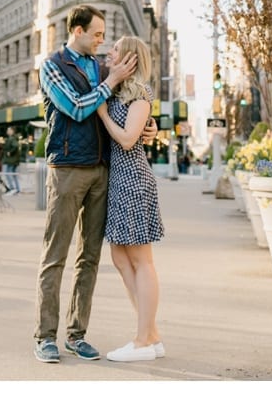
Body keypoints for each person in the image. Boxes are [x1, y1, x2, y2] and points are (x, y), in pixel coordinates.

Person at [33, 4, 155, 364]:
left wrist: (150, 125)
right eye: (98, 34)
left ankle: (77, 334)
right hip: (68, 168)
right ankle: (44, 336)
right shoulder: (53, 66)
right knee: (55, 255)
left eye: (105, 36)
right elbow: (77, 108)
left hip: (103, 171)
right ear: (78, 31)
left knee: (90, 258)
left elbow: (132, 103)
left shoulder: (105, 68)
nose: (103, 42)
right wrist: (109, 83)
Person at [96, 35, 167, 362]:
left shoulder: (140, 94)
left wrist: (103, 114)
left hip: (134, 180)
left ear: (129, 58)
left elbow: (126, 140)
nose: (109, 52)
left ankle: (143, 341)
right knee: (121, 259)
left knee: (141, 261)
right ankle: (151, 334)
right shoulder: (115, 90)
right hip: (118, 183)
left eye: (115, 49)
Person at [1, 126, 25, 193]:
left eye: (8, 130)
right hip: (12, 160)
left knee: (8, 174)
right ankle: (16, 189)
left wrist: (10, 152)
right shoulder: (13, 138)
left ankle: (12, 188)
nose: (7, 131)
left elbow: (15, 146)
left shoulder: (12, 139)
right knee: (13, 174)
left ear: (12, 131)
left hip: (11, 160)